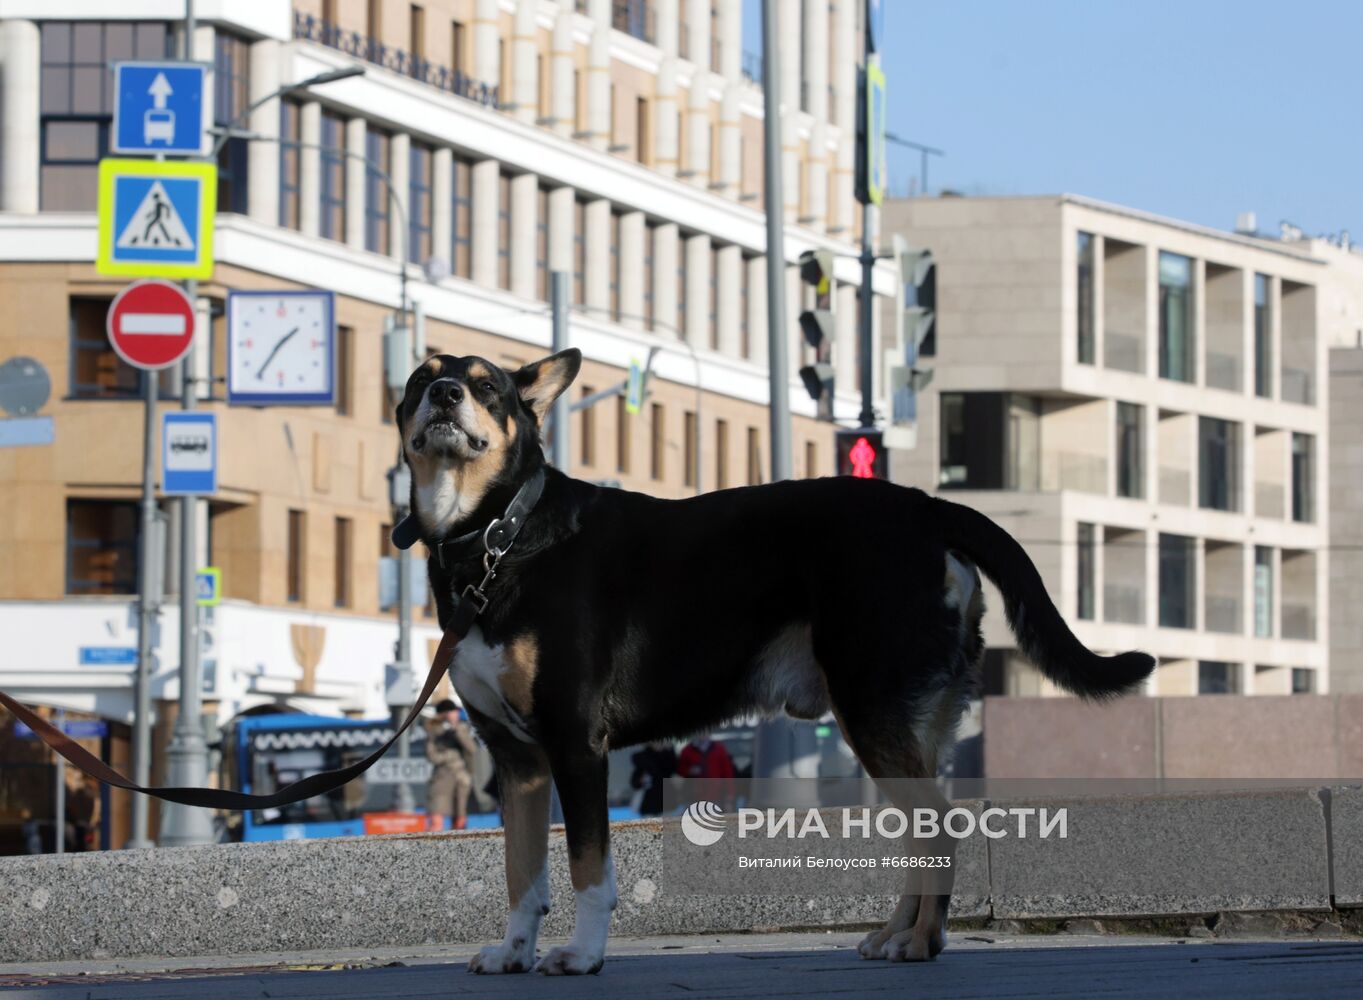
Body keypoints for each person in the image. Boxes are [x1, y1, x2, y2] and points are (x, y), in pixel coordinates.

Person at [426, 699, 478, 830]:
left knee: (460, 819)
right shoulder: (433, 730)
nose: (454, 714)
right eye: (450, 712)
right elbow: (431, 755)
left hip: (461, 777)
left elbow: (472, 749)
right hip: (442, 777)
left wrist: (457, 730)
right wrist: (449, 756)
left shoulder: (463, 727)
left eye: (454, 712)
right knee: (436, 819)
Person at [678, 734, 735, 809]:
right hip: (694, 794)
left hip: (715, 794)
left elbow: (727, 773)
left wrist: (730, 793)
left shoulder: (719, 749)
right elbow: (680, 770)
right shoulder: (687, 750)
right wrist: (690, 770)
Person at [629, 741, 677, 816]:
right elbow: (635, 782)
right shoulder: (642, 759)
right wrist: (640, 781)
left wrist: (668, 750)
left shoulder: (668, 757)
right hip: (649, 804)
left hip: (666, 803)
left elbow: (672, 770)